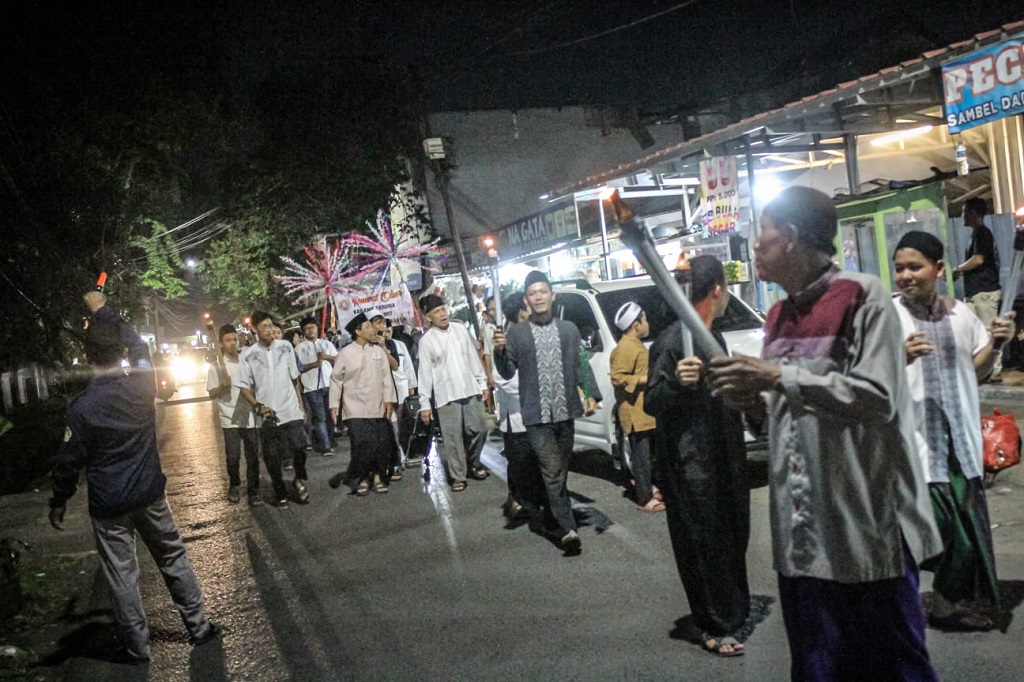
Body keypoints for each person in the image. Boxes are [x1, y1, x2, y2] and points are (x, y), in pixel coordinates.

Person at [705, 187, 942, 680]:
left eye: (762, 236)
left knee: (894, 668)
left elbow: (877, 396)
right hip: (802, 539)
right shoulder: (776, 316)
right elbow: (780, 416)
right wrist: (749, 401)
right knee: (816, 670)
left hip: (864, 532)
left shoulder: (862, 294)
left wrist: (775, 378)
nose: (754, 248)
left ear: (790, 238)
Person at [49, 290, 218, 663]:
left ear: (89, 358)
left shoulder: (82, 407)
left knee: (123, 576)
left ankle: (138, 648)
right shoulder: (142, 384)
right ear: (121, 354)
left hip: (109, 504)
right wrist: (102, 309)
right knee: (173, 557)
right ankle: (199, 626)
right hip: (149, 492)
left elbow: (68, 462)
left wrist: (59, 501)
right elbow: (138, 341)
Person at [893, 230, 1012, 631]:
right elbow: (865, 374)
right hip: (915, 448)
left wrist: (995, 345)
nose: (906, 275)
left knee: (966, 534)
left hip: (960, 444)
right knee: (940, 535)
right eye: (899, 268)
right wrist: (898, 355)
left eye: (915, 266)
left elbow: (975, 369)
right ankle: (898, 605)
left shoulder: (961, 314)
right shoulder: (889, 317)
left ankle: (943, 604)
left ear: (939, 269)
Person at [645, 257, 750, 657]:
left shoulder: (712, 338)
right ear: (718, 290)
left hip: (725, 455)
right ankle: (713, 624)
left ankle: (733, 613)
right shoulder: (673, 342)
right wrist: (676, 382)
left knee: (733, 534)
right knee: (703, 544)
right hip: (692, 466)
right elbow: (651, 401)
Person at [493, 270, 601, 556]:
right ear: (527, 300)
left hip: (565, 411)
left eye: (543, 291)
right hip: (536, 416)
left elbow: (581, 364)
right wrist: (499, 352)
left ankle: (552, 511)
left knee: (560, 470)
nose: (538, 297)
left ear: (551, 296)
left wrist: (590, 394)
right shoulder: (516, 333)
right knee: (553, 470)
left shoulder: (569, 330)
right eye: (532, 293)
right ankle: (568, 530)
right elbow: (507, 370)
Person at [234, 310, 310, 509]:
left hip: (290, 409)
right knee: (272, 456)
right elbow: (243, 386)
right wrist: (258, 406)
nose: (269, 330)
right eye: (264, 327)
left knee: (300, 446)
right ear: (254, 329)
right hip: (268, 414)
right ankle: (280, 492)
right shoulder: (248, 355)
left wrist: (301, 406)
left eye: (270, 326)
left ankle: (298, 478)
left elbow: (295, 378)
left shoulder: (285, 347)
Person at [416, 294, 491, 491]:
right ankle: (458, 475)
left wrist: (482, 382)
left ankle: (473, 462)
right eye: (436, 312)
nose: (442, 314)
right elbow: (424, 374)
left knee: (480, 429)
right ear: (428, 317)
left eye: (443, 309)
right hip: (446, 395)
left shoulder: (460, 329)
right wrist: (425, 404)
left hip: (470, 388)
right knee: (453, 438)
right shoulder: (427, 341)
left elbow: (473, 358)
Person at [328, 313, 398, 495]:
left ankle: (377, 477)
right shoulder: (345, 353)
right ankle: (361, 479)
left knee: (379, 445)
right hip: (354, 407)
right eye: (368, 326)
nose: (373, 329)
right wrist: (334, 405)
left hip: (377, 405)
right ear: (358, 332)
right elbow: (336, 380)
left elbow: (386, 377)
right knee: (361, 445)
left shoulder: (378, 352)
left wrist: (388, 400)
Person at [490, 292, 546, 520]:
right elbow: (504, 380)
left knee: (538, 462)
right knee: (521, 463)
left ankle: (535, 502)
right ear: (521, 313)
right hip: (517, 416)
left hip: (539, 414)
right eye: (528, 305)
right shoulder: (505, 339)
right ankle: (520, 499)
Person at [609, 301, 661, 512]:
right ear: (635, 325)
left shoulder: (634, 345)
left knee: (649, 455)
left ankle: (648, 486)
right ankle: (645, 498)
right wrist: (644, 379)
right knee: (640, 457)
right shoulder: (625, 348)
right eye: (645, 319)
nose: (647, 323)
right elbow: (617, 377)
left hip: (644, 412)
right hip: (634, 412)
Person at [207, 324, 260, 505]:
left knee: (253, 455)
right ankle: (235, 484)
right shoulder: (216, 367)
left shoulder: (247, 362)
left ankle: (254, 491)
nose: (232, 343)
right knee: (233, 456)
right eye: (228, 340)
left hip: (249, 415)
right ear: (221, 344)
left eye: (235, 339)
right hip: (228, 417)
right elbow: (211, 393)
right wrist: (222, 386)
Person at [953, 197, 1003, 380]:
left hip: (985, 291)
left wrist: (958, 269)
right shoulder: (977, 233)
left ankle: (995, 369)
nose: (961, 215)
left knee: (989, 330)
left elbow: (979, 259)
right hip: (976, 291)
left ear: (973, 213)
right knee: (974, 329)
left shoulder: (982, 233)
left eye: (964, 211)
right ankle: (982, 367)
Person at [295, 316, 338, 455]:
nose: (310, 330)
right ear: (303, 331)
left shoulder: (326, 344)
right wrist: (313, 365)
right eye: (307, 328)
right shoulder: (299, 349)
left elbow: (338, 360)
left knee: (330, 416)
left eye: (312, 327)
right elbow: (298, 368)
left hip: (329, 384)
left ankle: (330, 441)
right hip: (312, 387)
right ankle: (325, 446)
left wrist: (327, 357)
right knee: (320, 418)